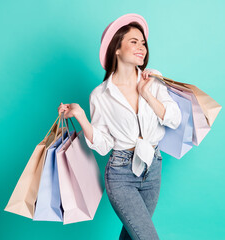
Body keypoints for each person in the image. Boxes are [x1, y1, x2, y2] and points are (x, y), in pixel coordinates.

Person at [58, 13, 181, 240]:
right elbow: (104, 146)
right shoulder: (100, 95)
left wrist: (147, 94)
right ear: (116, 48)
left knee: (132, 235)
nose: (141, 47)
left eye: (143, 43)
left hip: (153, 167)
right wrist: (82, 117)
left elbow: (174, 119)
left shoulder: (152, 80)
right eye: (133, 42)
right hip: (121, 173)